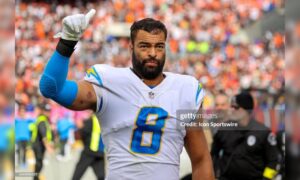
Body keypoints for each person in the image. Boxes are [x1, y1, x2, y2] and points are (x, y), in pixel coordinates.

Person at [39, 9, 214, 179]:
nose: (153, 53)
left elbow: (200, 160)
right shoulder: (108, 82)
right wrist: (67, 42)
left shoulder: (186, 88)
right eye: (144, 46)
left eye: (159, 46)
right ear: (131, 47)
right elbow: (51, 88)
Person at [211, 92, 279, 180]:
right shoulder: (224, 129)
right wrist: (216, 173)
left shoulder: (263, 132)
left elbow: (273, 161)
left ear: (247, 110)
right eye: (231, 106)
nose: (231, 110)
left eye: (236, 107)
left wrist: (266, 179)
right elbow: (213, 154)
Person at [72, 114, 105, 180]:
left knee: (77, 175)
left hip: (89, 152)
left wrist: (80, 128)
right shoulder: (104, 120)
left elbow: (81, 134)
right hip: (100, 152)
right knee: (101, 176)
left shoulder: (91, 120)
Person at [30, 104, 54, 180]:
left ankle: (35, 177)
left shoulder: (44, 120)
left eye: (49, 111)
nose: (48, 113)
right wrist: (48, 147)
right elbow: (44, 136)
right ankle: (35, 178)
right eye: (46, 111)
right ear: (43, 111)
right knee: (39, 163)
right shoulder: (42, 121)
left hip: (39, 145)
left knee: (39, 163)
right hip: (38, 145)